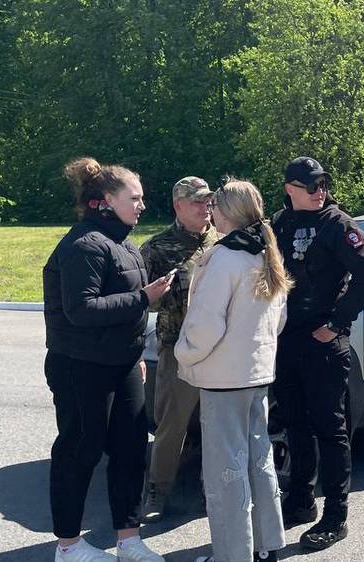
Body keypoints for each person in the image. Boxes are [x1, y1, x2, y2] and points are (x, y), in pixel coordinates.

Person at [42, 157, 171, 562]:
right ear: (107, 200)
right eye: (134, 198)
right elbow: (81, 310)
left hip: (123, 364)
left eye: (142, 198)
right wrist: (144, 297)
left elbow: (125, 310)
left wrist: (136, 353)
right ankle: (68, 546)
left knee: (130, 451)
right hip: (80, 365)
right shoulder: (84, 245)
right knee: (79, 452)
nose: (142, 205)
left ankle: (129, 540)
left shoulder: (124, 244)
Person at [174, 179, 291, 562]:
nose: (211, 212)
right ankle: (265, 546)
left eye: (215, 206)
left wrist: (184, 353)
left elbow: (206, 324)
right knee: (259, 461)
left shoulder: (225, 257)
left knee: (225, 471)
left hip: (224, 378)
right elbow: (279, 319)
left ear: (228, 212)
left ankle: (232, 555)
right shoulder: (266, 252)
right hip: (257, 374)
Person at [271, 157, 364, 551]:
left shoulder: (337, 224)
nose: (320, 191)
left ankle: (336, 515)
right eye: (311, 185)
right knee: (295, 425)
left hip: (323, 343)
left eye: (323, 184)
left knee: (330, 430)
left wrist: (337, 322)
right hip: (287, 340)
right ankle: (300, 500)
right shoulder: (280, 223)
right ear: (291, 189)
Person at [139, 176, 218, 522]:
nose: (205, 207)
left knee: (218, 424)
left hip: (219, 350)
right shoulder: (157, 248)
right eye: (197, 201)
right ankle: (157, 489)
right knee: (172, 425)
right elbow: (139, 300)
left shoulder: (223, 241)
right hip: (179, 349)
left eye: (208, 201)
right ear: (178, 206)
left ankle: (214, 489)